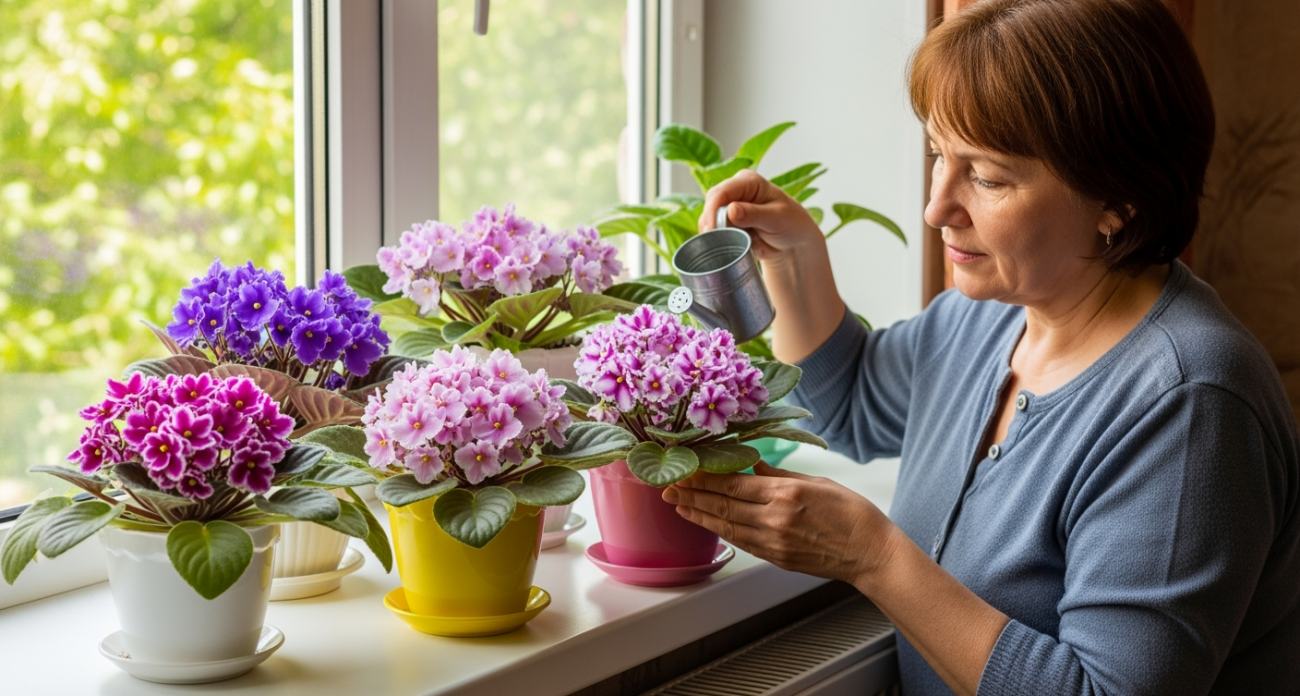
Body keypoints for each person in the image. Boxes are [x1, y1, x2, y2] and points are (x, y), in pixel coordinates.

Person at [660, 0, 1300, 694]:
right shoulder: (991, 317)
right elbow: (850, 405)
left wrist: (874, 557)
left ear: (1120, 201)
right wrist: (795, 261)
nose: (937, 207)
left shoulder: (1191, 404)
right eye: (939, 155)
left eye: (988, 177)